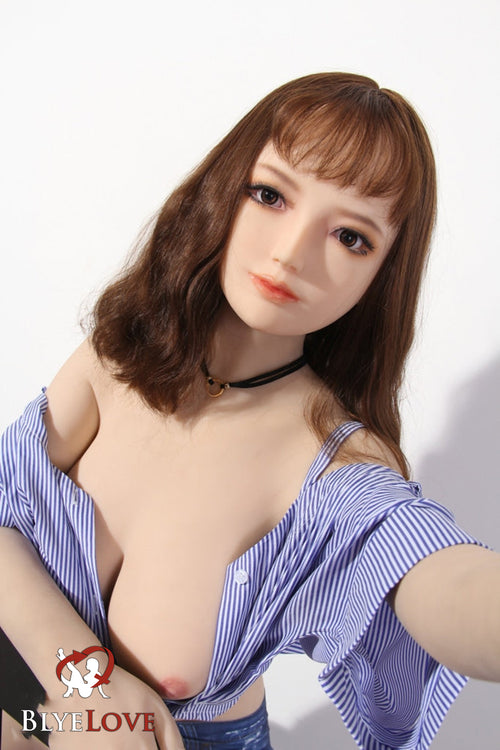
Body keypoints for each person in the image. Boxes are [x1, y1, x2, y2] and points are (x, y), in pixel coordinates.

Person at [0, 72, 499, 750]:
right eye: (270, 195)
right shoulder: (121, 355)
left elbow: (444, 580)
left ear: (383, 274)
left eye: (350, 237)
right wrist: (85, 686)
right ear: (225, 185)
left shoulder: (335, 467)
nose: (290, 253)